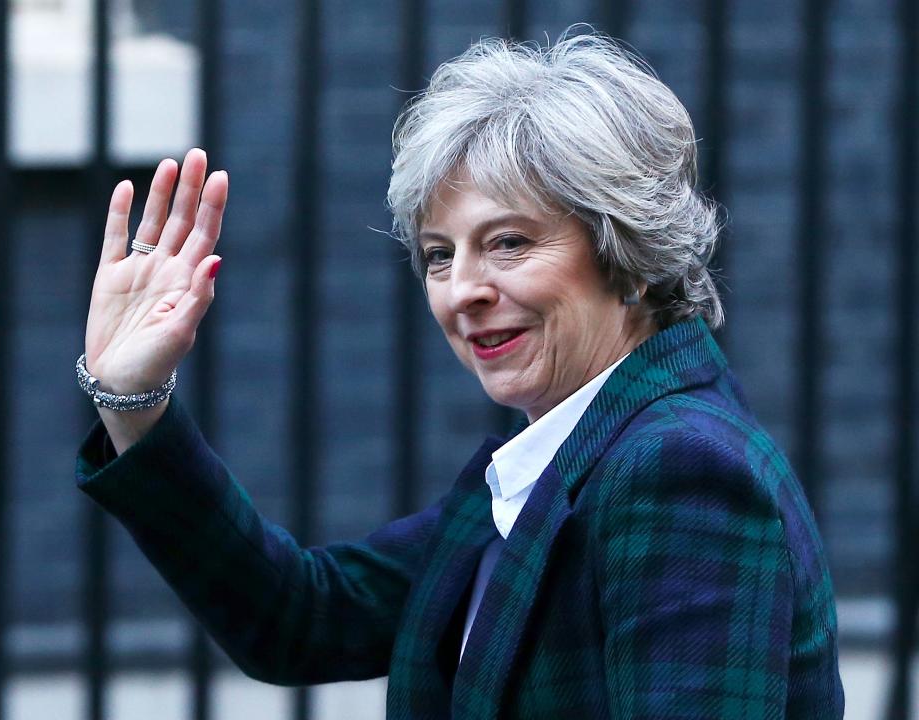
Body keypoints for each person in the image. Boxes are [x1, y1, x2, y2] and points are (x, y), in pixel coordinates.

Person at [76, 31, 844, 718]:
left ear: (629, 253)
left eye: (508, 243)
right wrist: (133, 403)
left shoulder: (678, 470)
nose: (461, 291)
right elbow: (303, 621)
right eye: (441, 255)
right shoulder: (559, 455)